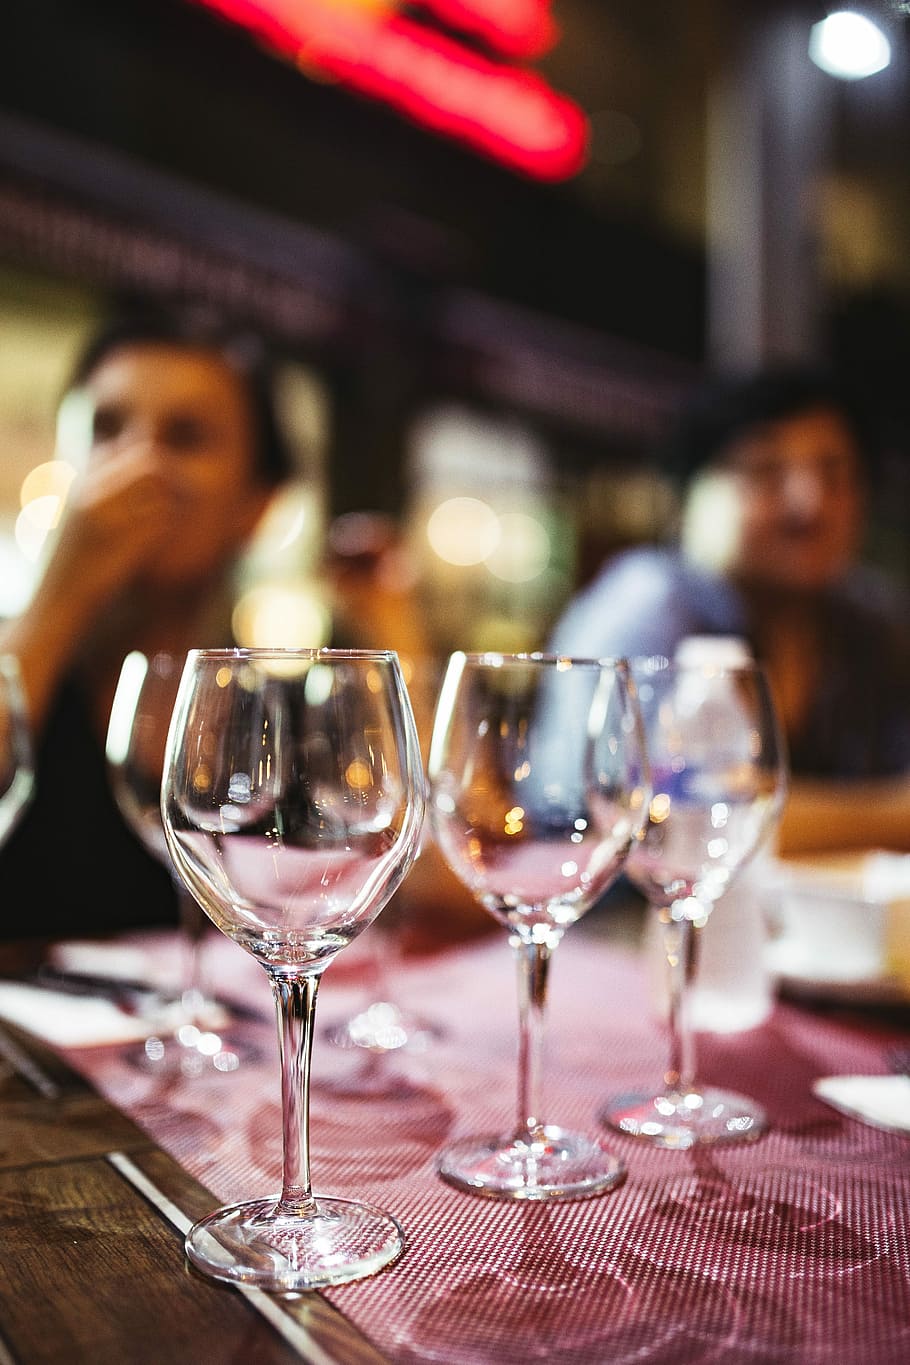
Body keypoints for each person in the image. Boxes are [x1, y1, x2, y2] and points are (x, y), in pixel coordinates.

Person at [0, 309, 293, 937]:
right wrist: (59, 595)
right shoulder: (21, 654)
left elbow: (436, 890)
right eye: (105, 429)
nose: (136, 464)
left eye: (184, 437)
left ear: (257, 503)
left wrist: (394, 620)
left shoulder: (276, 707)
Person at [549, 365, 910, 855]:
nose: (810, 502)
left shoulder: (867, 620)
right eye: (765, 469)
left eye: (836, 473)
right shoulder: (651, 605)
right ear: (686, 496)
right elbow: (667, 827)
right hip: (601, 922)